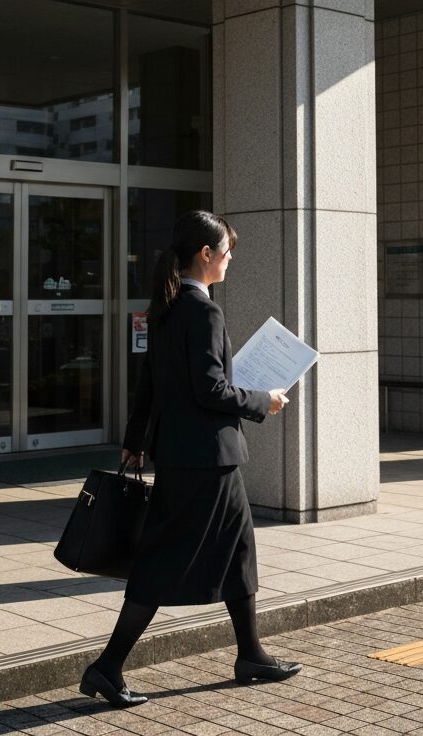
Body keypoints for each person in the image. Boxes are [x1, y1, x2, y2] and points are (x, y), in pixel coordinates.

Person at [80, 210, 301, 708]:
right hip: (206, 459)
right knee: (163, 562)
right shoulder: (204, 311)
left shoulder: (166, 306)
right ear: (205, 254)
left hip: (189, 456)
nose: (230, 259)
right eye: (226, 251)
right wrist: (261, 400)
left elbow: (150, 383)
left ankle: (251, 655)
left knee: (239, 550)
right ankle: (107, 667)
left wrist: (136, 439)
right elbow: (212, 390)